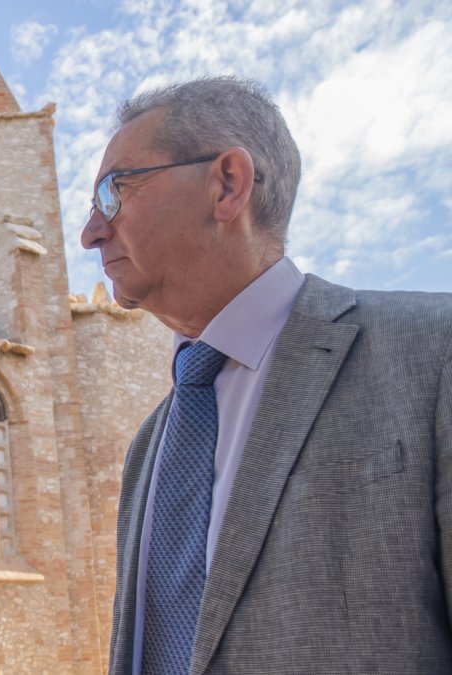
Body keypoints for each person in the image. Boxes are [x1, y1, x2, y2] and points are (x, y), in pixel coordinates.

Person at [81, 77, 452, 674]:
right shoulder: (150, 444)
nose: (90, 232)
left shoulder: (433, 353)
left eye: (113, 192)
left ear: (227, 184)